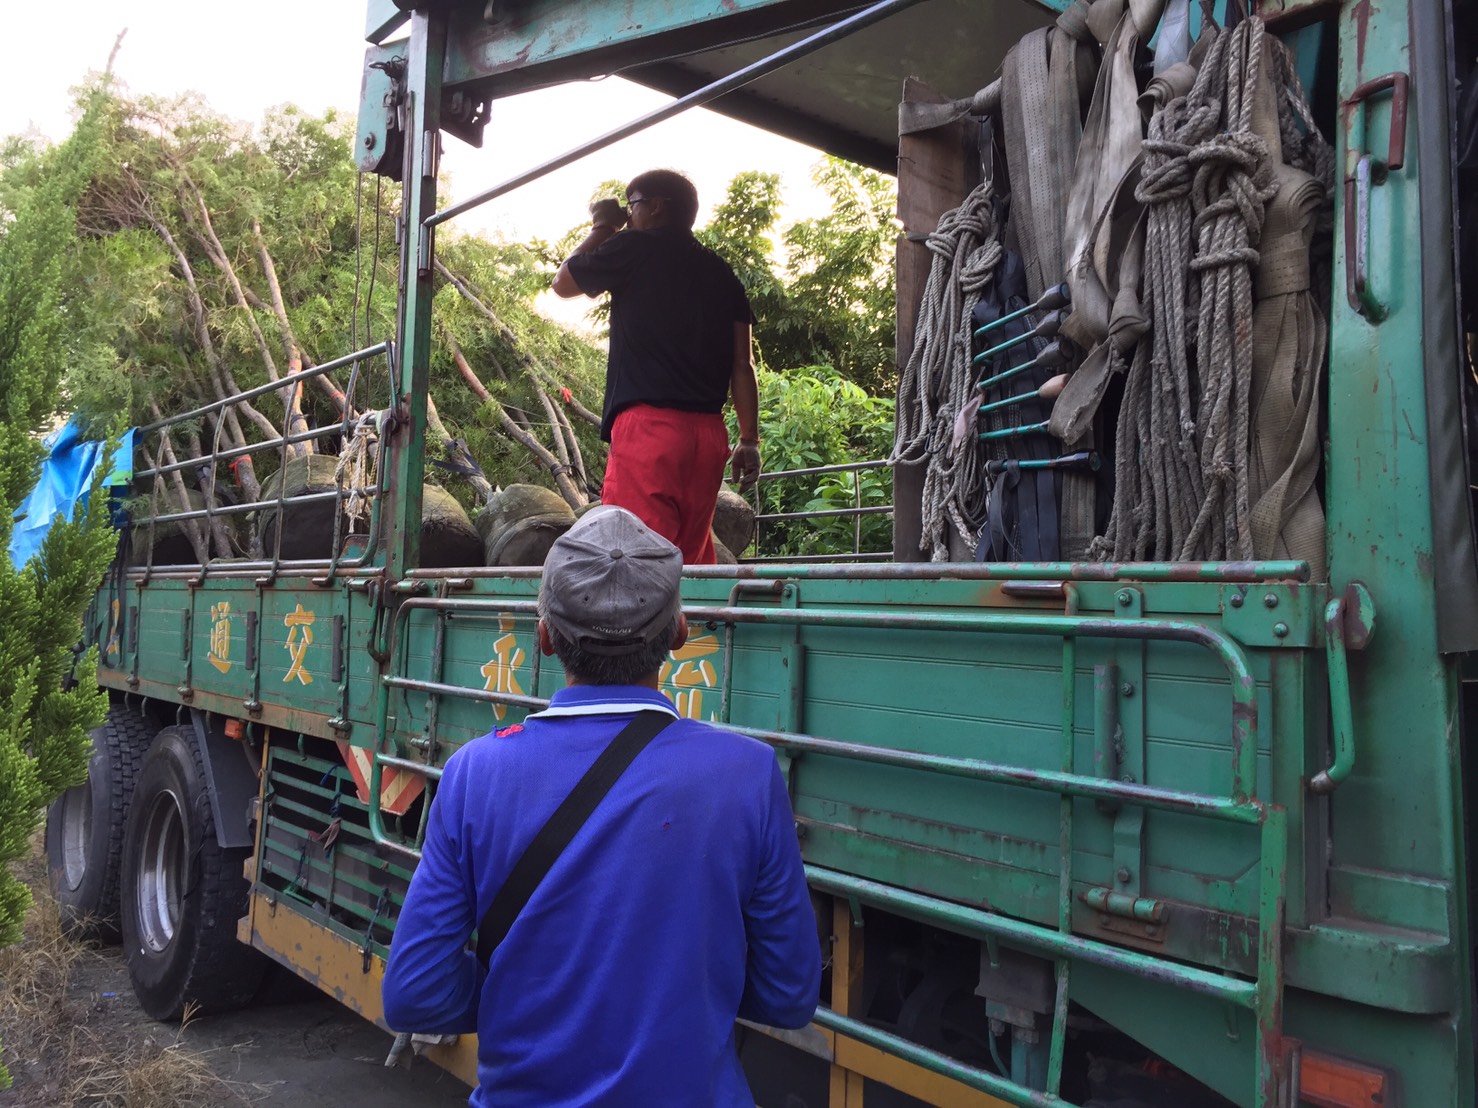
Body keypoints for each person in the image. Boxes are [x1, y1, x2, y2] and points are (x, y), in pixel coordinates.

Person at [381, 506, 820, 1107]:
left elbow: (415, 994)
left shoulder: (475, 773)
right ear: (679, 633)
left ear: (543, 635)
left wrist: (522, 996)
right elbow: (789, 995)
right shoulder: (747, 774)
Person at [551, 169, 761, 564]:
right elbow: (742, 363)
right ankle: (691, 626)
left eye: (632, 206)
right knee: (690, 557)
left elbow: (563, 283)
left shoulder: (633, 245)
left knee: (634, 559)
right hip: (707, 437)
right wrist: (748, 439)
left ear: (658, 206)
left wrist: (603, 226)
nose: (629, 218)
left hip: (650, 432)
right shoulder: (722, 272)